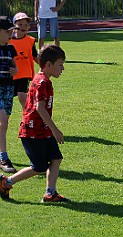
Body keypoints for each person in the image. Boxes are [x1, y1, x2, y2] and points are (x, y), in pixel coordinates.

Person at [0, 45, 70, 203]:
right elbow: (40, 108)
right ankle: (6, 182)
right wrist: (55, 130)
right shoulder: (42, 82)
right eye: (60, 64)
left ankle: (50, 193)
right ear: (49, 64)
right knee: (38, 167)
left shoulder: (43, 80)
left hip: (42, 130)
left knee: (56, 158)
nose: (63, 68)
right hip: (33, 131)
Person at [0, 16, 19, 173]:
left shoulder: (10, 49)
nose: (10, 34)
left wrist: (15, 71)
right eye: (7, 31)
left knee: (3, 126)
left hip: (8, 88)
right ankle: (3, 158)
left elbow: (15, 68)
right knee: (3, 123)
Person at [9, 12, 39, 110]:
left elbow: (35, 56)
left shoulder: (30, 40)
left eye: (26, 25)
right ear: (14, 26)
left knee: (22, 96)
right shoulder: (8, 40)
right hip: (11, 74)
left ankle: (28, 116)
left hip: (24, 73)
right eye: (20, 24)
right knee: (8, 99)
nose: (24, 27)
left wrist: (45, 66)